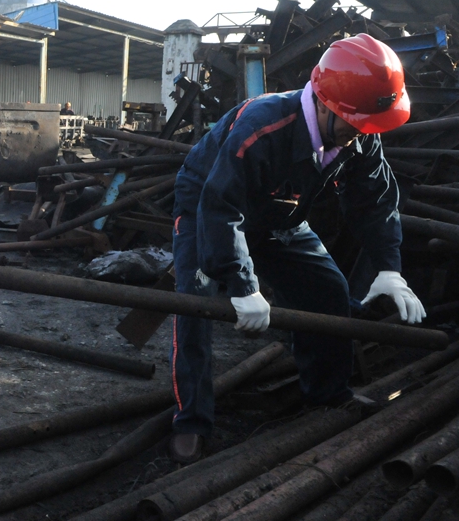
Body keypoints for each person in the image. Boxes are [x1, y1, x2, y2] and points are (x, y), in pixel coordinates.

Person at [168, 33, 424, 464]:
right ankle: (191, 420)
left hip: (280, 212)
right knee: (196, 304)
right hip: (207, 204)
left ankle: (328, 395)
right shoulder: (263, 125)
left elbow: (375, 201)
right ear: (324, 103)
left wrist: (388, 267)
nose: (358, 135)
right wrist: (242, 284)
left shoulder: (358, 129)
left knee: (329, 292)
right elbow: (222, 205)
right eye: (353, 124)